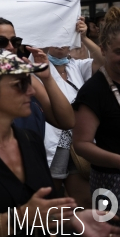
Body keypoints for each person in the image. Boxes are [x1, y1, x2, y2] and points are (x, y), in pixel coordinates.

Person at [0, 48, 117, 237]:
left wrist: (75, 221)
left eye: (29, 82)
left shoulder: (29, 140)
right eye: (19, 84)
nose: (31, 91)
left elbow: (44, 214)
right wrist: (18, 217)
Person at [44, 17, 104, 209]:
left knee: (84, 201)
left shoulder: (76, 66)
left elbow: (103, 61)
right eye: (55, 38)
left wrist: (84, 37)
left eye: (65, 38)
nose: (61, 44)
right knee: (51, 197)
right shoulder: (37, 67)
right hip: (53, 141)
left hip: (77, 142)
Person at [74, 7, 120, 223]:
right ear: (103, 49)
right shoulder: (94, 90)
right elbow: (81, 143)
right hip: (110, 182)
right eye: (119, 51)